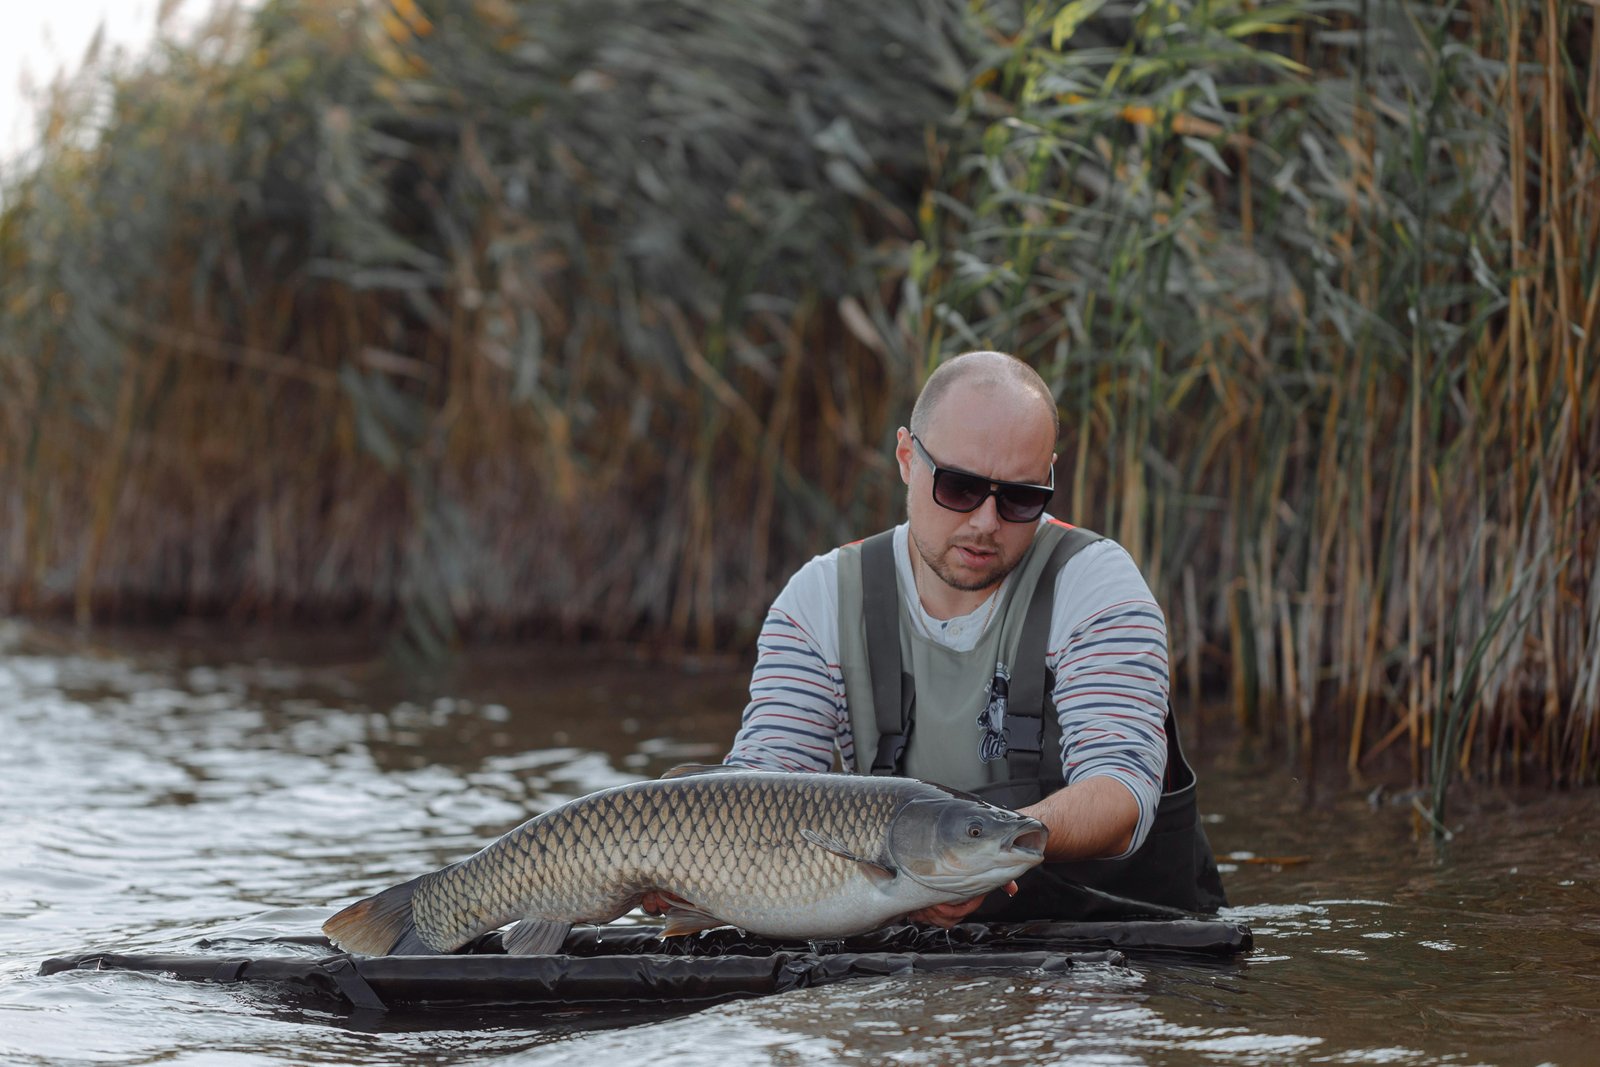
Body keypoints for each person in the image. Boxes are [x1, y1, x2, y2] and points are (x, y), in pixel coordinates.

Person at [652, 350, 1225, 925]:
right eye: (958, 487)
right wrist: (681, 880)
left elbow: (1120, 791)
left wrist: (980, 857)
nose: (985, 522)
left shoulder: (1096, 583)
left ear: (1050, 477)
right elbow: (759, 798)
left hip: (1116, 950)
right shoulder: (820, 599)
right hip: (919, 956)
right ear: (907, 457)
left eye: (1021, 497)